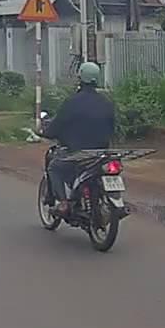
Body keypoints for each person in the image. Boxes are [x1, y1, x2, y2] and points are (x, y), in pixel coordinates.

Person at [39, 61, 115, 215]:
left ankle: (63, 203)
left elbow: (57, 125)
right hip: (100, 154)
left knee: (54, 168)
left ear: (80, 78)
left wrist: (46, 132)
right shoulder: (106, 102)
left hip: (77, 153)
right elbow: (112, 127)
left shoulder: (72, 102)